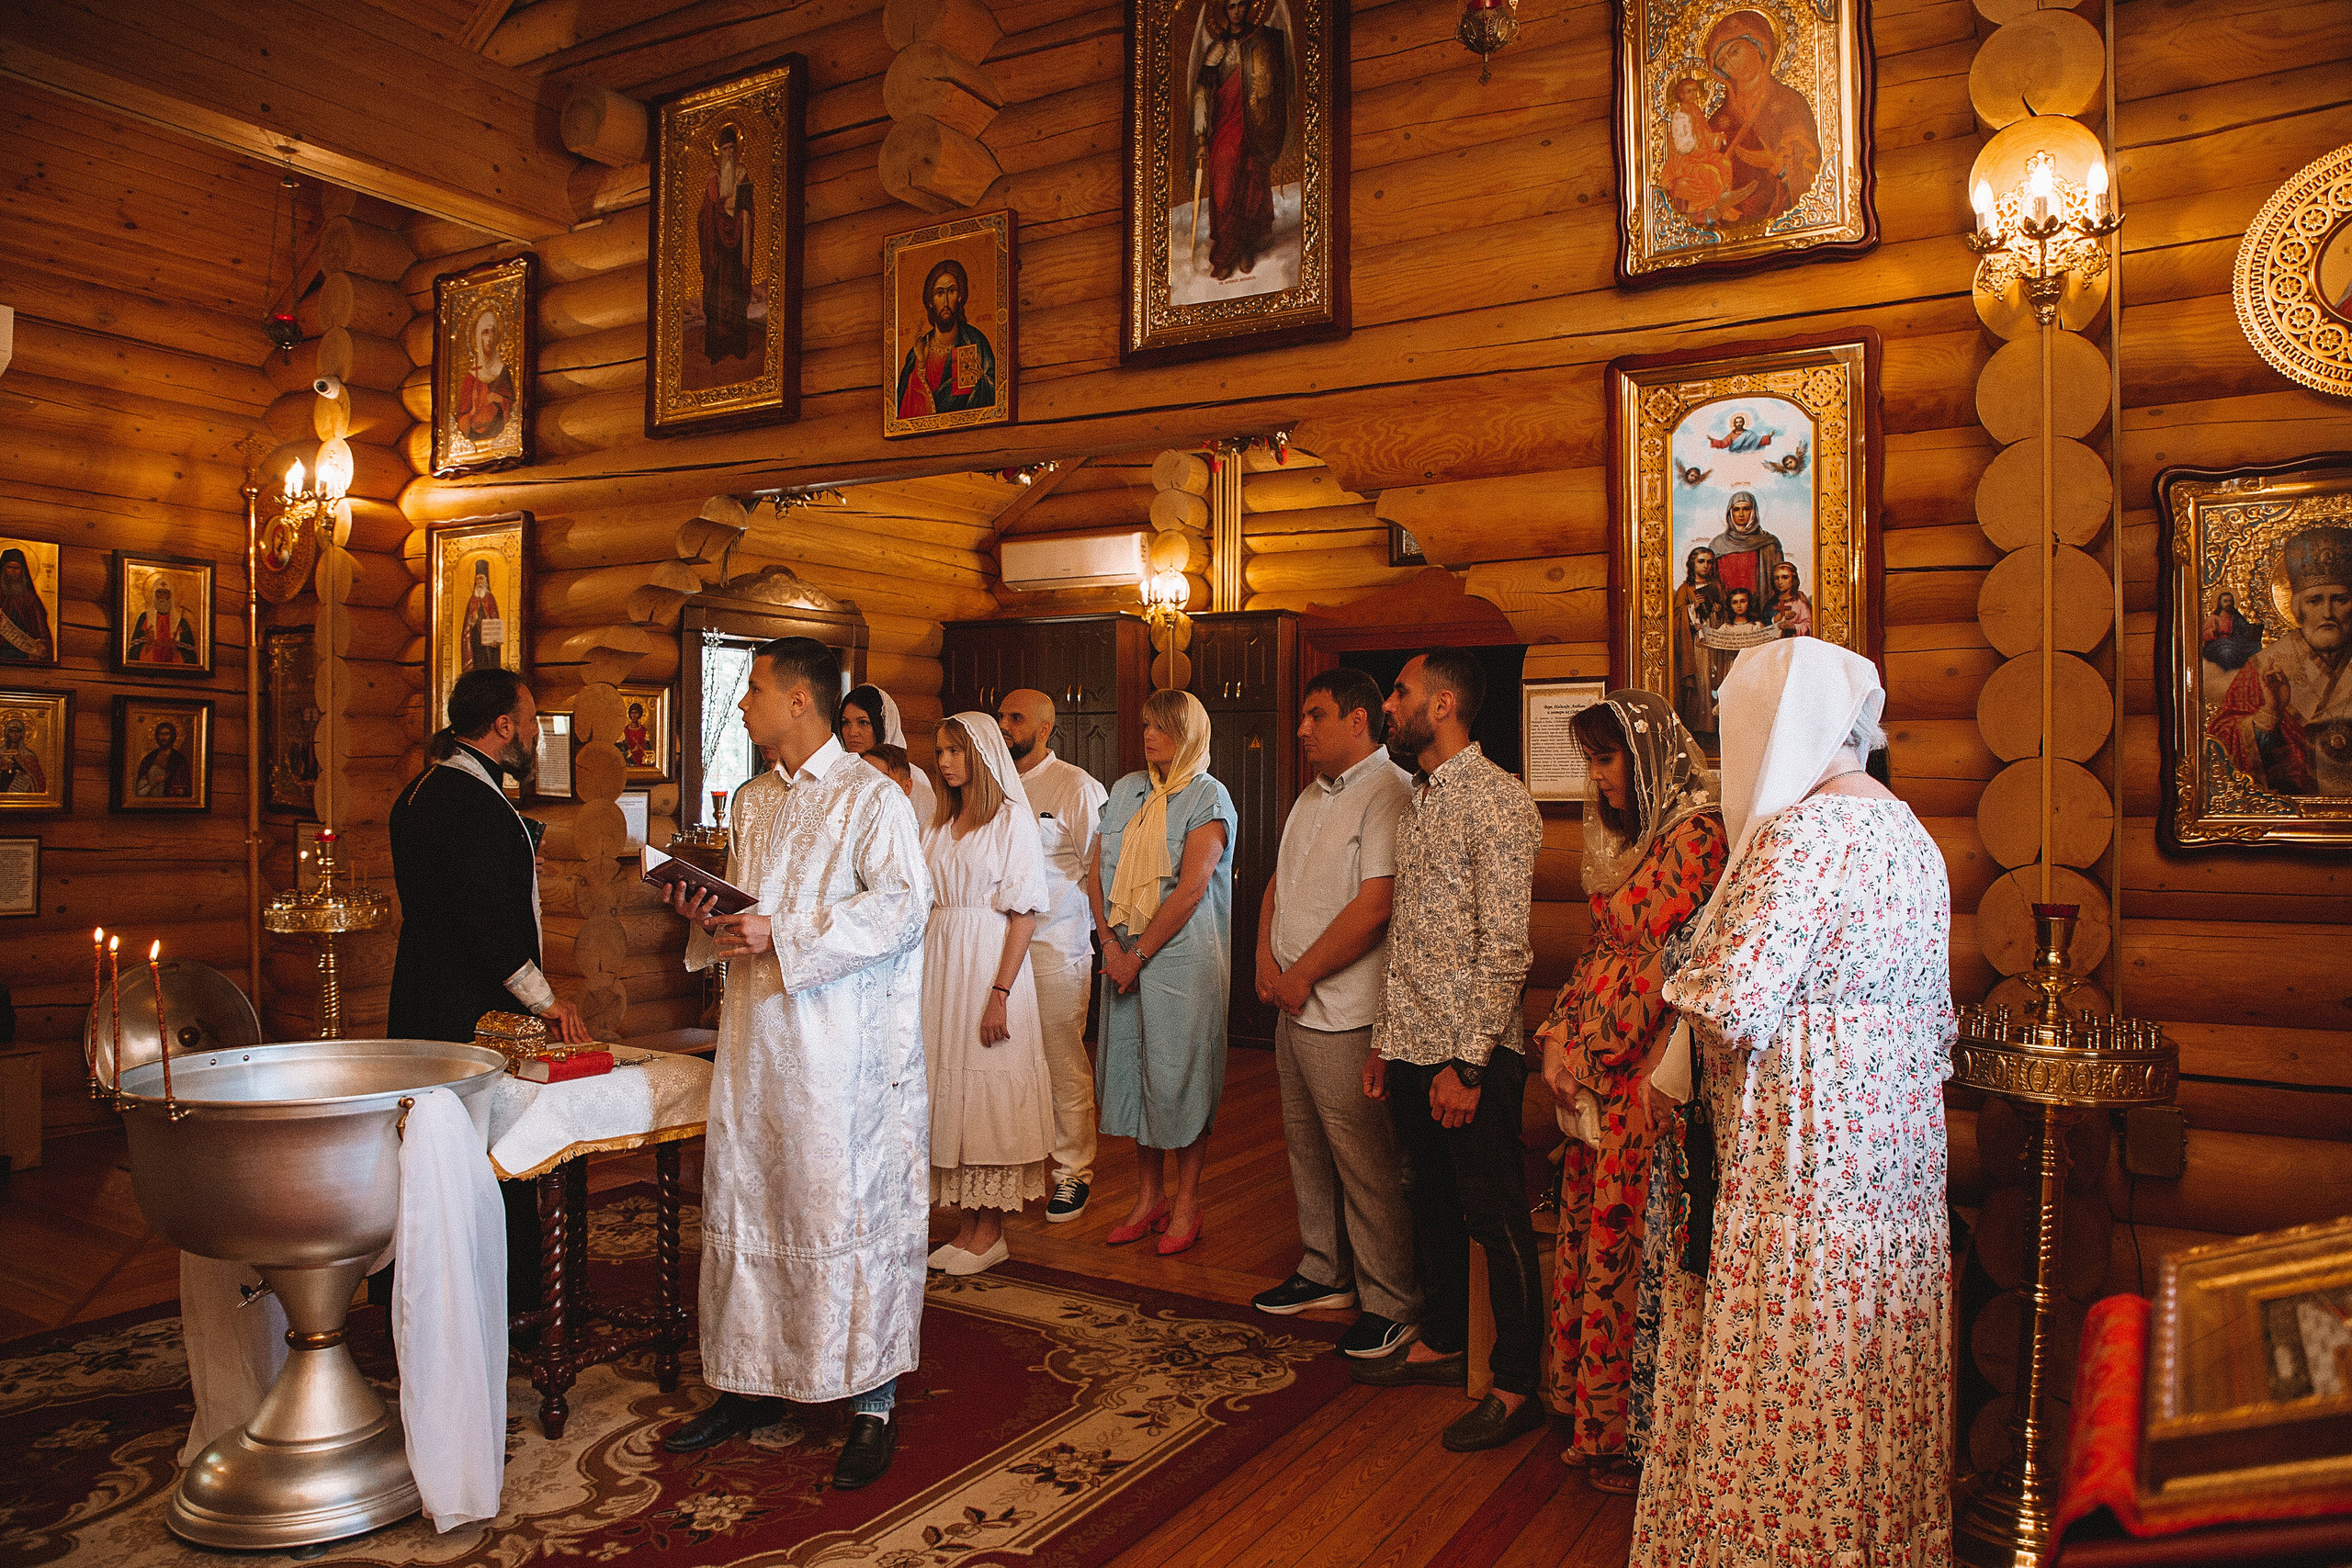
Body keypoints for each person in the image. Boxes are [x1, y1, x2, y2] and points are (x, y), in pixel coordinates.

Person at [1632, 636, 1954, 1565]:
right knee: (1863, 1389)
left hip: (1800, 1163)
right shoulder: (1909, 833)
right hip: (1891, 1165)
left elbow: (1729, 1010)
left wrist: (1675, 987)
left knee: (1791, 1374)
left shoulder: (1800, 836)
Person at [660, 637, 931, 1492]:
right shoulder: (752, 799)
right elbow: (748, 917)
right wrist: (708, 915)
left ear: (802, 702)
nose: (743, 704)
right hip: (756, 1039)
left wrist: (783, 932)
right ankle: (751, 1382)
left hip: (838, 1051)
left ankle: (871, 1399)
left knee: (836, 1202)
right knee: (750, 1196)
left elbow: (903, 910)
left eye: (755, 689)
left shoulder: (868, 798)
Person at [1532, 692, 1726, 1493]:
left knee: (1631, 1247)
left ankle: (1628, 1431)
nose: (1600, 778)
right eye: (1592, 762)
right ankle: (1589, 1417)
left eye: (1608, 759)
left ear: (1646, 759)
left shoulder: (1697, 835)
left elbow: (1661, 969)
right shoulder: (1626, 840)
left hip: (1649, 1077)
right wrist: (1557, 1037)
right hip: (1598, 1074)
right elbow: (1599, 949)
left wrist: (1585, 1048)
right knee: (1593, 1230)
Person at [1355, 650, 1546, 1455]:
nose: (1388, 706)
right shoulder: (1420, 800)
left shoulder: (1498, 801)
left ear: (1440, 706)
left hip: (1469, 1058)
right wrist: (1384, 1042)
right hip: (1409, 1045)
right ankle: (1445, 1340)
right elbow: (1413, 936)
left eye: (1398, 693)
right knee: (1424, 1196)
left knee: (1493, 1214)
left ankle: (1515, 1383)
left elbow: (1504, 949)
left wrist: (1466, 1066)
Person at [389, 669, 593, 1316]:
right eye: (530, 720)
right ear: (503, 725)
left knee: (429, 1148)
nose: (534, 733)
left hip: (419, 991)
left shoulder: (419, 791)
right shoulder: (474, 805)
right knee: (489, 1149)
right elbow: (489, 925)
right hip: (471, 1009)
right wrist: (545, 1000)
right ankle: (502, 1299)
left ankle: (430, 1290)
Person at [1251, 668, 1420, 1359]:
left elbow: (1376, 906)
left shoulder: (1388, 792)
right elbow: (1278, 881)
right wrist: (1265, 954)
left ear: (1358, 721)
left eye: (1315, 715)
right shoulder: (1313, 792)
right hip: (1294, 1003)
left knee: (1366, 1161)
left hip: (1345, 1008)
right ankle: (1326, 1269)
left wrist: (1302, 976)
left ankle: (1392, 1299)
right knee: (1306, 1146)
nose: (1301, 728)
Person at [1089, 688, 1237, 1256]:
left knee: (1180, 1076)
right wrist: (1108, 942)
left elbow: (1194, 886)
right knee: (1133, 1074)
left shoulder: (1208, 795)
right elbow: (1095, 869)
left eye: (1163, 728)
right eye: (1147, 724)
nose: (1149, 735)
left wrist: (1139, 954)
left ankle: (1186, 1201)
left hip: (1180, 956)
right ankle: (1146, 1197)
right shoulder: (1126, 789)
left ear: (1189, 734)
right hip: (1120, 953)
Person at [922, 713, 1055, 1276]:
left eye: (955, 751)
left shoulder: (1010, 821)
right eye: (940, 751)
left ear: (979, 755)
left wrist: (1000, 990)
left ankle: (992, 1231)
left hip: (988, 960)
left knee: (985, 1084)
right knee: (949, 1082)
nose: (944, 761)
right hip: (942, 962)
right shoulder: (939, 823)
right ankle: (967, 1226)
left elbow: (1023, 913)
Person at [997, 689, 1110, 1222]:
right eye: (1000, 716)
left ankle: (1072, 1171)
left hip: (1053, 943)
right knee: (1002, 1056)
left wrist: (1100, 937)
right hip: (992, 945)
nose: (1003, 724)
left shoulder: (1076, 786)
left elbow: (1099, 868)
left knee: (1061, 1056)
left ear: (1044, 728)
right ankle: (1011, 1164)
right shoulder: (991, 782)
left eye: (1014, 718)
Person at [2207, 525, 2352, 796]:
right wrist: (2270, 713)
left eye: (2340, 599)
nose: (2328, 613)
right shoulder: (2264, 667)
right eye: (2315, 601)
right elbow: (2221, 743)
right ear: (2297, 608)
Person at [1190, 0, 1289, 281]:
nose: (1237, 11)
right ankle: (1226, 251)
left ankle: (1247, 245)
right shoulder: (1216, 50)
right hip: (1224, 128)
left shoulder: (1262, 42)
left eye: (1241, 5)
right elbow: (1202, 92)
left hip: (1253, 127)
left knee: (1252, 179)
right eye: (1231, 6)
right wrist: (1200, 130)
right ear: (1224, 10)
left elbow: (1272, 86)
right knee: (1224, 182)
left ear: (1249, 7)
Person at [1703, 9, 1822, 227]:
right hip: (1732, 229)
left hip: (1784, 220)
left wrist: (1779, 165)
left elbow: (1808, 170)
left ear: (1759, 44)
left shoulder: (1790, 102)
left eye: (1734, 51)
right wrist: (1715, 206)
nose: (1730, 63)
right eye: (1722, 62)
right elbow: (1698, 185)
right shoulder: (1717, 121)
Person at [895, 259, 998, 421]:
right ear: (930, 301)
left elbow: (996, 397)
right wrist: (920, 367)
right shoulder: (918, 351)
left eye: (952, 291)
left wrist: (981, 382)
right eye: (939, 293)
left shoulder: (976, 342)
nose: (946, 301)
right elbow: (905, 417)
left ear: (960, 296)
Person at [697, 121, 757, 367]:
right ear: (718, 153)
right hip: (717, 250)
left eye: (732, 149)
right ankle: (716, 347)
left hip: (736, 246)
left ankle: (737, 345)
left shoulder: (742, 174)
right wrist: (715, 213)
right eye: (724, 150)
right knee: (716, 294)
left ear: (737, 150)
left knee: (734, 292)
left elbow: (748, 207)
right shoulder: (713, 178)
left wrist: (742, 216)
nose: (729, 154)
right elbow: (703, 215)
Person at [841, 683, 940, 828]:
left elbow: (926, 836)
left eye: (863, 722)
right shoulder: (839, 774)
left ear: (882, 725)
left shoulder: (913, 776)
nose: (852, 732)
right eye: (845, 723)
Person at [1673, 546, 1726, 734]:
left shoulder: (1717, 587)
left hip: (1715, 641)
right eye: (1701, 561)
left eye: (1709, 562)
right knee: (1700, 679)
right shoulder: (1685, 589)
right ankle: (1700, 725)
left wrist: (1719, 612)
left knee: (1715, 678)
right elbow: (1677, 617)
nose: (1706, 566)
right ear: (1692, 564)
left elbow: (1727, 618)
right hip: (1696, 643)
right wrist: (1691, 608)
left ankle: (1715, 724)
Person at [1705, 490, 1786, 602]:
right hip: (1726, 608)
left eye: (1746, 509)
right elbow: (1709, 580)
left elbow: (1781, 580)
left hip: (1761, 608)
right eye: (1736, 509)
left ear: (1754, 511)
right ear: (1730, 513)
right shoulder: (1718, 544)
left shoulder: (1769, 543)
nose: (1741, 514)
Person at [455, 308, 514, 444]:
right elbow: (462, 416)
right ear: (478, 337)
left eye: (493, 331)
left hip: (499, 431)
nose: (490, 338)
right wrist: (473, 412)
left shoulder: (503, 371)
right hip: (476, 435)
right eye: (485, 332)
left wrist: (500, 399)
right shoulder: (471, 376)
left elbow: (514, 408)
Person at [0, 547, 52, 663]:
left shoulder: (31, 599)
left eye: (17, 568)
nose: (13, 571)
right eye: (9, 567)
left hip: (24, 654)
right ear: (3, 569)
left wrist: (42, 647)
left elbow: (42, 632)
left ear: (22, 571)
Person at [128, 581, 198, 666]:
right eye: (159, 592)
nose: (162, 596)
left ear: (171, 595)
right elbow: (133, 651)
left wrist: (175, 647)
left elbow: (191, 656)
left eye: (166, 593)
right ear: (153, 594)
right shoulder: (144, 618)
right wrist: (148, 643)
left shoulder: (181, 622)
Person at [459, 558, 503, 672]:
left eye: (481, 579)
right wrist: (471, 622)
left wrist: (494, 637)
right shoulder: (472, 600)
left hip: (488, 641)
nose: (479, 583)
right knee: (477, 662)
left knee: (488, 662)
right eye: (477, 579)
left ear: (486, 581)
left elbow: (494, 618)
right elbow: (467, 623)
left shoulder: (490, 598)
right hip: (475, 637)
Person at [133, 721, 192, 797]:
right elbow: (140, 789)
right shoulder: (149, 758)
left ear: (173, 736)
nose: (163, 738)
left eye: (167, 734)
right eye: (161, 734)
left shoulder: (179, 758)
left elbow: (185, 785)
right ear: (156, 736)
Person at [1768, 558, 1814, 637]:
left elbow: (1810, 626)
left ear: (1793, 580)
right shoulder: (1770, 603)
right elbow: (1762, 627)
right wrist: (1776, 619)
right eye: (1776, 578)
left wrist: (1794, 627)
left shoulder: (1800, 602)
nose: (1780, 582)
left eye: (1785, 577)